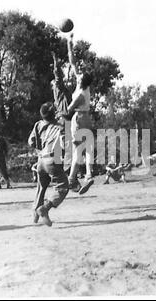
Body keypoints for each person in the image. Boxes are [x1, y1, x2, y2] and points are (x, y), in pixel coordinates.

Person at [28, 102, 69, 227]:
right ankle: (45, 207)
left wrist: (39, 151)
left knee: (41, 186)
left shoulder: (38, 124)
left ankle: (35, 212)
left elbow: (31, 142)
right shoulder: (60, 126)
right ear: (53, 114)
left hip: (41, 159)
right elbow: (64, 144)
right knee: (63, 186)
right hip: (52, 159)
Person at [66, 32, 94, 195]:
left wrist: (60, 113)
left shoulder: (79, 95)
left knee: (78, 151)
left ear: (80, 80)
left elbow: (69, 109)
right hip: (87, 118)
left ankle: (71, 178)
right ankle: (88, 175)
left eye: (80, 75)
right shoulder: (86, 87)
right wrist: (70, 44)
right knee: (89, 148)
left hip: (78, 119)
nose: (78, 73)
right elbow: (73, 62)